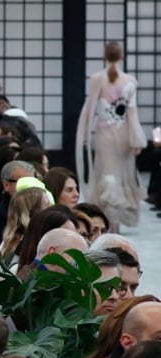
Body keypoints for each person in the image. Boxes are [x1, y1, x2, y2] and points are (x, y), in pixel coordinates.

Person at [76, 42, 146, 231]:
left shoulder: (97, 79)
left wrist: (83, 135)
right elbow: (132, 113)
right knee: (119, 174)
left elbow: (90, 110)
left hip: (104, 132)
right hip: (123, 132)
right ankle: (114, 222)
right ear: (121, 56)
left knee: (108, 174)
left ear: (105, 56)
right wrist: (137, 140)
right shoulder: (130, 81)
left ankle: (110, 219)